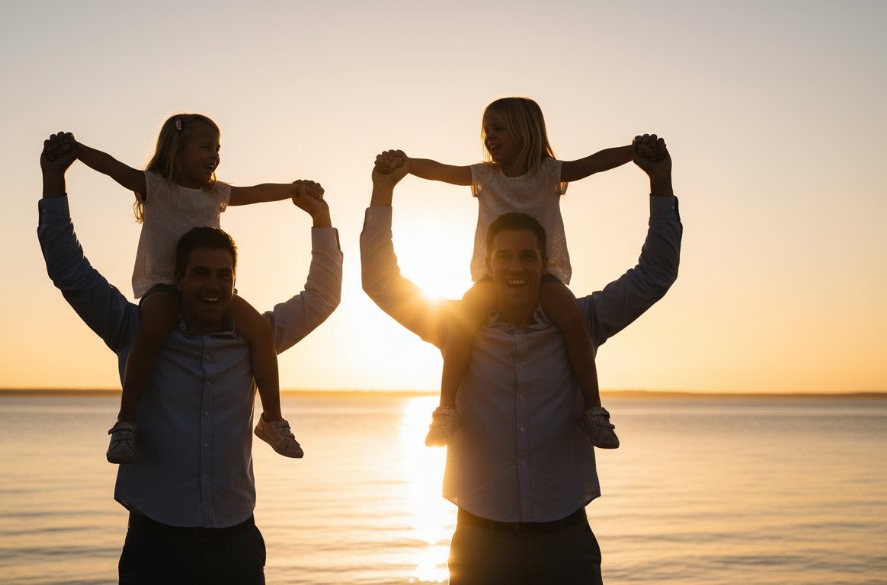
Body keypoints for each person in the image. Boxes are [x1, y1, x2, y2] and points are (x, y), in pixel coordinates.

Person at [361, 134, 680, 584]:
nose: (516, 267)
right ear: (488, 265)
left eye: (527, 256)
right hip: (480, 546)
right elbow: (381, 281)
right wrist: (383, 192)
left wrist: (660, 184)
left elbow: (655, 273)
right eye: (504, 257)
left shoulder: (582, 323)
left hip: (565, 543)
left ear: (543, 261)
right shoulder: (455, 329)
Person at [38, 132, 342, 584]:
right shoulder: (134, 330)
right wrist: (54, 183)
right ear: (178, 278)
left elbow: (321, 297)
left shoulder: (254, 340)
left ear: (235, 282)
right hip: (155, 547)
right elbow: (70, 270)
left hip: (236, 546)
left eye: (223, 275)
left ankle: (273, 421)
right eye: (200, 273)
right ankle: (125, 422)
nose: (212, 285)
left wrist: (320, 218)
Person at [378, 97, 636, 449]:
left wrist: (634, 151)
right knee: (462, 324)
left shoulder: (549, 172)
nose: (490, 137)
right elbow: (440, 169)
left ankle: (593, 409)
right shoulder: (484, 176)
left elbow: (594, 162)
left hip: (542, 273)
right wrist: (405, 164)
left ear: (525, 132)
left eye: (499, 129)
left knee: (573, 319)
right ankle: (446, 410)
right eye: (487, 130)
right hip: (490, 275)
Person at [69, 114, 311, 463]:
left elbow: (256, 192)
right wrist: (76, 149)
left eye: (218, 149)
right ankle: (126, 422)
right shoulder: (155, 186)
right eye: (206, 147)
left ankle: (272, 419)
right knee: (150, 332)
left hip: (212, 287)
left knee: (259, 329)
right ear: (177, 149)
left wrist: (292, 189)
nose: (214, 155)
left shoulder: (216, 194)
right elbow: (111, 166)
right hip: (165, 285)